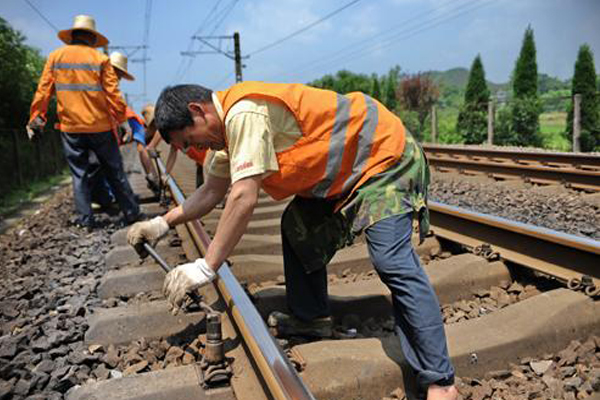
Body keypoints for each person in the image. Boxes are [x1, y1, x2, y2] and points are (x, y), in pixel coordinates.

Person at [127, 82, 457, 400]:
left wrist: (206, 265)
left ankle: (440, 381)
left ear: (198, 111)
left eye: (188, 140)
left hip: (384, 157)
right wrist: (161, 223)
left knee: (391, 261)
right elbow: (211, 192)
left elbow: (243, 197)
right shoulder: (225, 139)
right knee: (297, 226)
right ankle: (310, 317)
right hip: (346, 175)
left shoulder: (245, 114)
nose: (191, 150)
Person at [27, 15, 142, 229]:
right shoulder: (100, 60)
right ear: (92, 38)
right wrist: (123, 121)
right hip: (100, 126)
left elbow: (43, 91)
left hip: (71, 128)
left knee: (79, 174)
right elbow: (113, 95)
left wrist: (37, 117)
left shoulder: (55, 57)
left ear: (73, 36)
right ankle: (131, 212)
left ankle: (86, 220)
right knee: (114, 171)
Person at [109, 52, 159, 192]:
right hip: (122, 120)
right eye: (118, 74)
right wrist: (151, 175)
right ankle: (151, 176)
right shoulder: (136, 124)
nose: (119, 78)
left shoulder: (105, 83)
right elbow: (142, 149)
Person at [143, 103, 208, 188]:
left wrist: (152, 146)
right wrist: (166, 174)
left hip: (209, 159)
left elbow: (159, 133)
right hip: (201, 163)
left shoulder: (175, 126)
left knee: (210, 190)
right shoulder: (173, 136)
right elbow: (173, 153)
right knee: (202, 192)